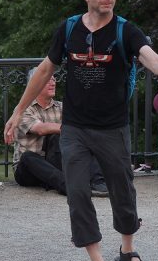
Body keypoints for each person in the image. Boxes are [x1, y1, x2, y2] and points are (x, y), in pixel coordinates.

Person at [4, 0, 158, 261]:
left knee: (122, 189)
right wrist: (19, 111)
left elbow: (154, 61)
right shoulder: (68, 29)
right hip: (74, 127)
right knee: (77, 192)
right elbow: (45, 70)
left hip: (112, 128)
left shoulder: (126, 30)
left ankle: (127, 251)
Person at [13, 69, 108, 197]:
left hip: (54, 164)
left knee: (81, 136)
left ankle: (98, 182)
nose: (53, 82)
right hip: (29, 169)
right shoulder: (23, 109)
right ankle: (69, 187)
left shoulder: (62, 107)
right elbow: (40, 129)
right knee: (27, 157)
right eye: (48, 80)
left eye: (54, 79)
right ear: (34, 85)